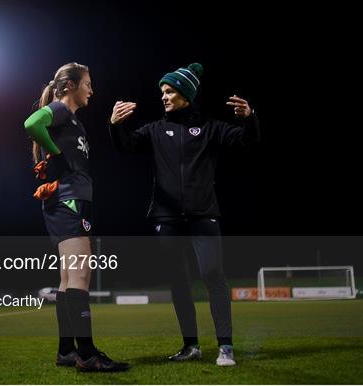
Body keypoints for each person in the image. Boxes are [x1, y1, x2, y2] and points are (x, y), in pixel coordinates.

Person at [109, 63, 260, 366]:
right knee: (179, 281)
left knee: (213, 276)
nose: (163, 97)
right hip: (167, 218)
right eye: (162, 92)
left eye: (169, 91)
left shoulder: (210, 128)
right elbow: (125, 146)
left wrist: (250, 119)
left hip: (204, 215)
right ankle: (191, 346)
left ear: (186, 95)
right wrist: (115, 125)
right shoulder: (154, 129)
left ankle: (225, 347)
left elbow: (247, 141)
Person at [24, 62, 129, 372]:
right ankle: (87, 353)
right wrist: (54, 154)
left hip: (71, 201)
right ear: (69, 85)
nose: (92, 90)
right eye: (87, 84)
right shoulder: (58, 109)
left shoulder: (72, 120)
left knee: (68, 277)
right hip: (68, 202)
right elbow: (31, 124)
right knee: (80, 275)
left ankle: (67, 351)